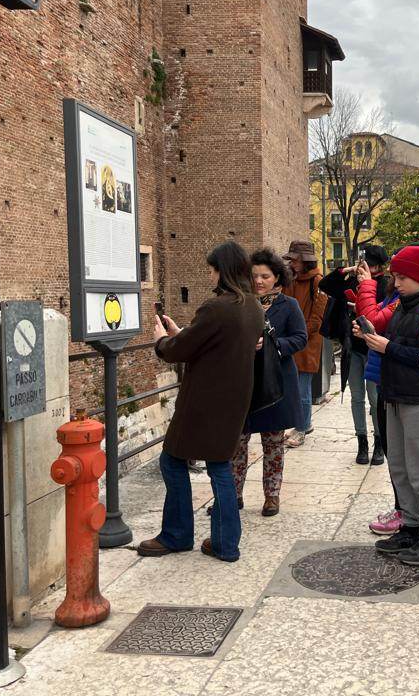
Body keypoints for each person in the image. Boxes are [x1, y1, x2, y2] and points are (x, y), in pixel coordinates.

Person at [137, 241, 266, 563]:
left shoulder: (217, 307)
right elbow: (216, 343)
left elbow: (179, 351)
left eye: (211, 269)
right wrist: (185, 332)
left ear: (222, 270)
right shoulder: (253, 306)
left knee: (172, 461)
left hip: (205, 401)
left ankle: (177, 535)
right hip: (235, 399)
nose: (209, 275)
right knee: (219, 464)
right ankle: (225, 542)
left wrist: (162, 341)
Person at [357, 245, 419, 565]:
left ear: (418, 276)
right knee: (400, 466)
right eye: (395, 276)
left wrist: (387, 347)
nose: (395, 282)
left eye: (401, 276)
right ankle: (411, 528)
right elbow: (392, 341)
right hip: (394, 396)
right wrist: (371, 336)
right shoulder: (400, 304)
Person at [229, 249, 307, 517]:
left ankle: (272, 496)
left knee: (273, 443)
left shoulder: (289, 306)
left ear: (276, 278)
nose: (259, 281)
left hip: (275, 384)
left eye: (265, 276)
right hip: (244, 382)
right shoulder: (239, 303)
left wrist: (272, 345)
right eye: (254, 276)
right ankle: (233, 495)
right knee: (237, 443)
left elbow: (300, 338)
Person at [319, 245, 392, 465]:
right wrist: (346, 271)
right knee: (356, 398)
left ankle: (379, 442)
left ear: (378, 267)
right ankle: (362, 442)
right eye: (362, 262)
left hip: (374, 349)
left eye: (368, 263)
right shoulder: (352, 281)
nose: (363, 266)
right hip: (353, 349)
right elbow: (325, 285)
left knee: (375, 398)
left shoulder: (385, 286)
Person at [283, 240, 328, 447]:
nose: (292, 263)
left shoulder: (318, 282)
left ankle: (301, 429)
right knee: (293, 388)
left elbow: (317, 318)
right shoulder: (290, 279)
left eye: (295, 259)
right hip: (290, 342)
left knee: (303, 388)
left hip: (308, 342)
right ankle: (303, 423)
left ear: (305, 261)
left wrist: (297, 334)